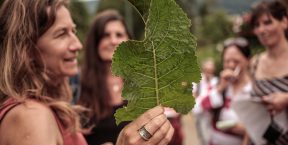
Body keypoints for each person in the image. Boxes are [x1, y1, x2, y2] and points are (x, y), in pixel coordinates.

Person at [0, 1, 174, 145]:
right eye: (61, 34)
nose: (77, 45)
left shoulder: (146, 82)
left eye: (73, 32)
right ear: (27, 48)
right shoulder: (31, 117)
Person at [75, 9, 131, 145]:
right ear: (95, 42)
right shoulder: (76, 83)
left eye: (119, 34)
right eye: (106, 35)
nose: (113, 40)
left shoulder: (143, 82)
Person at [249, 0, 288, 144]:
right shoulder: (254, 63)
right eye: (257, 25)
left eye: (267, 22)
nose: (261, 30)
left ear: (284, 22)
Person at [209, 37, 251, 145]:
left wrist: (247, 130)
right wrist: (220, 89)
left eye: (236, 61)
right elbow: (197, 109)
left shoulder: (254, 90)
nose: (231, 65)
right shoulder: (218, 83)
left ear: (248, 60)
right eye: (227, 61)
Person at [192, 59, 218, 145]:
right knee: (202, 136)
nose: (209, 73)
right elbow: (193, 95)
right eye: (207, 70)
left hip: (211, 114)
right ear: (204, 70)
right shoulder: (197, 80)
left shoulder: (215, 81)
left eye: (211, 71)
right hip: (199, 113)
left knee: (209, 137)